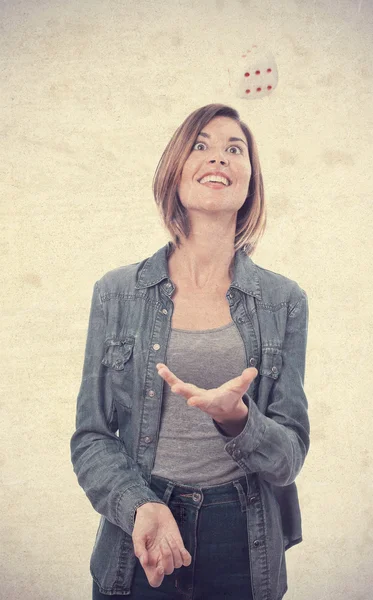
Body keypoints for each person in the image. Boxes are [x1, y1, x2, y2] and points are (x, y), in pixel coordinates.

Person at [70, 103, 310, 600]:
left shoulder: (285, 302)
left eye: (233, 149)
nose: (217, 158)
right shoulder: (117, 293)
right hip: (142, 530)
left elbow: (289, 456)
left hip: (244, 539)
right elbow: (92, 437)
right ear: (175, 172)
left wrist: (240, 419)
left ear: (250, 180)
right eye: (200, 146)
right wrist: (140, 505)